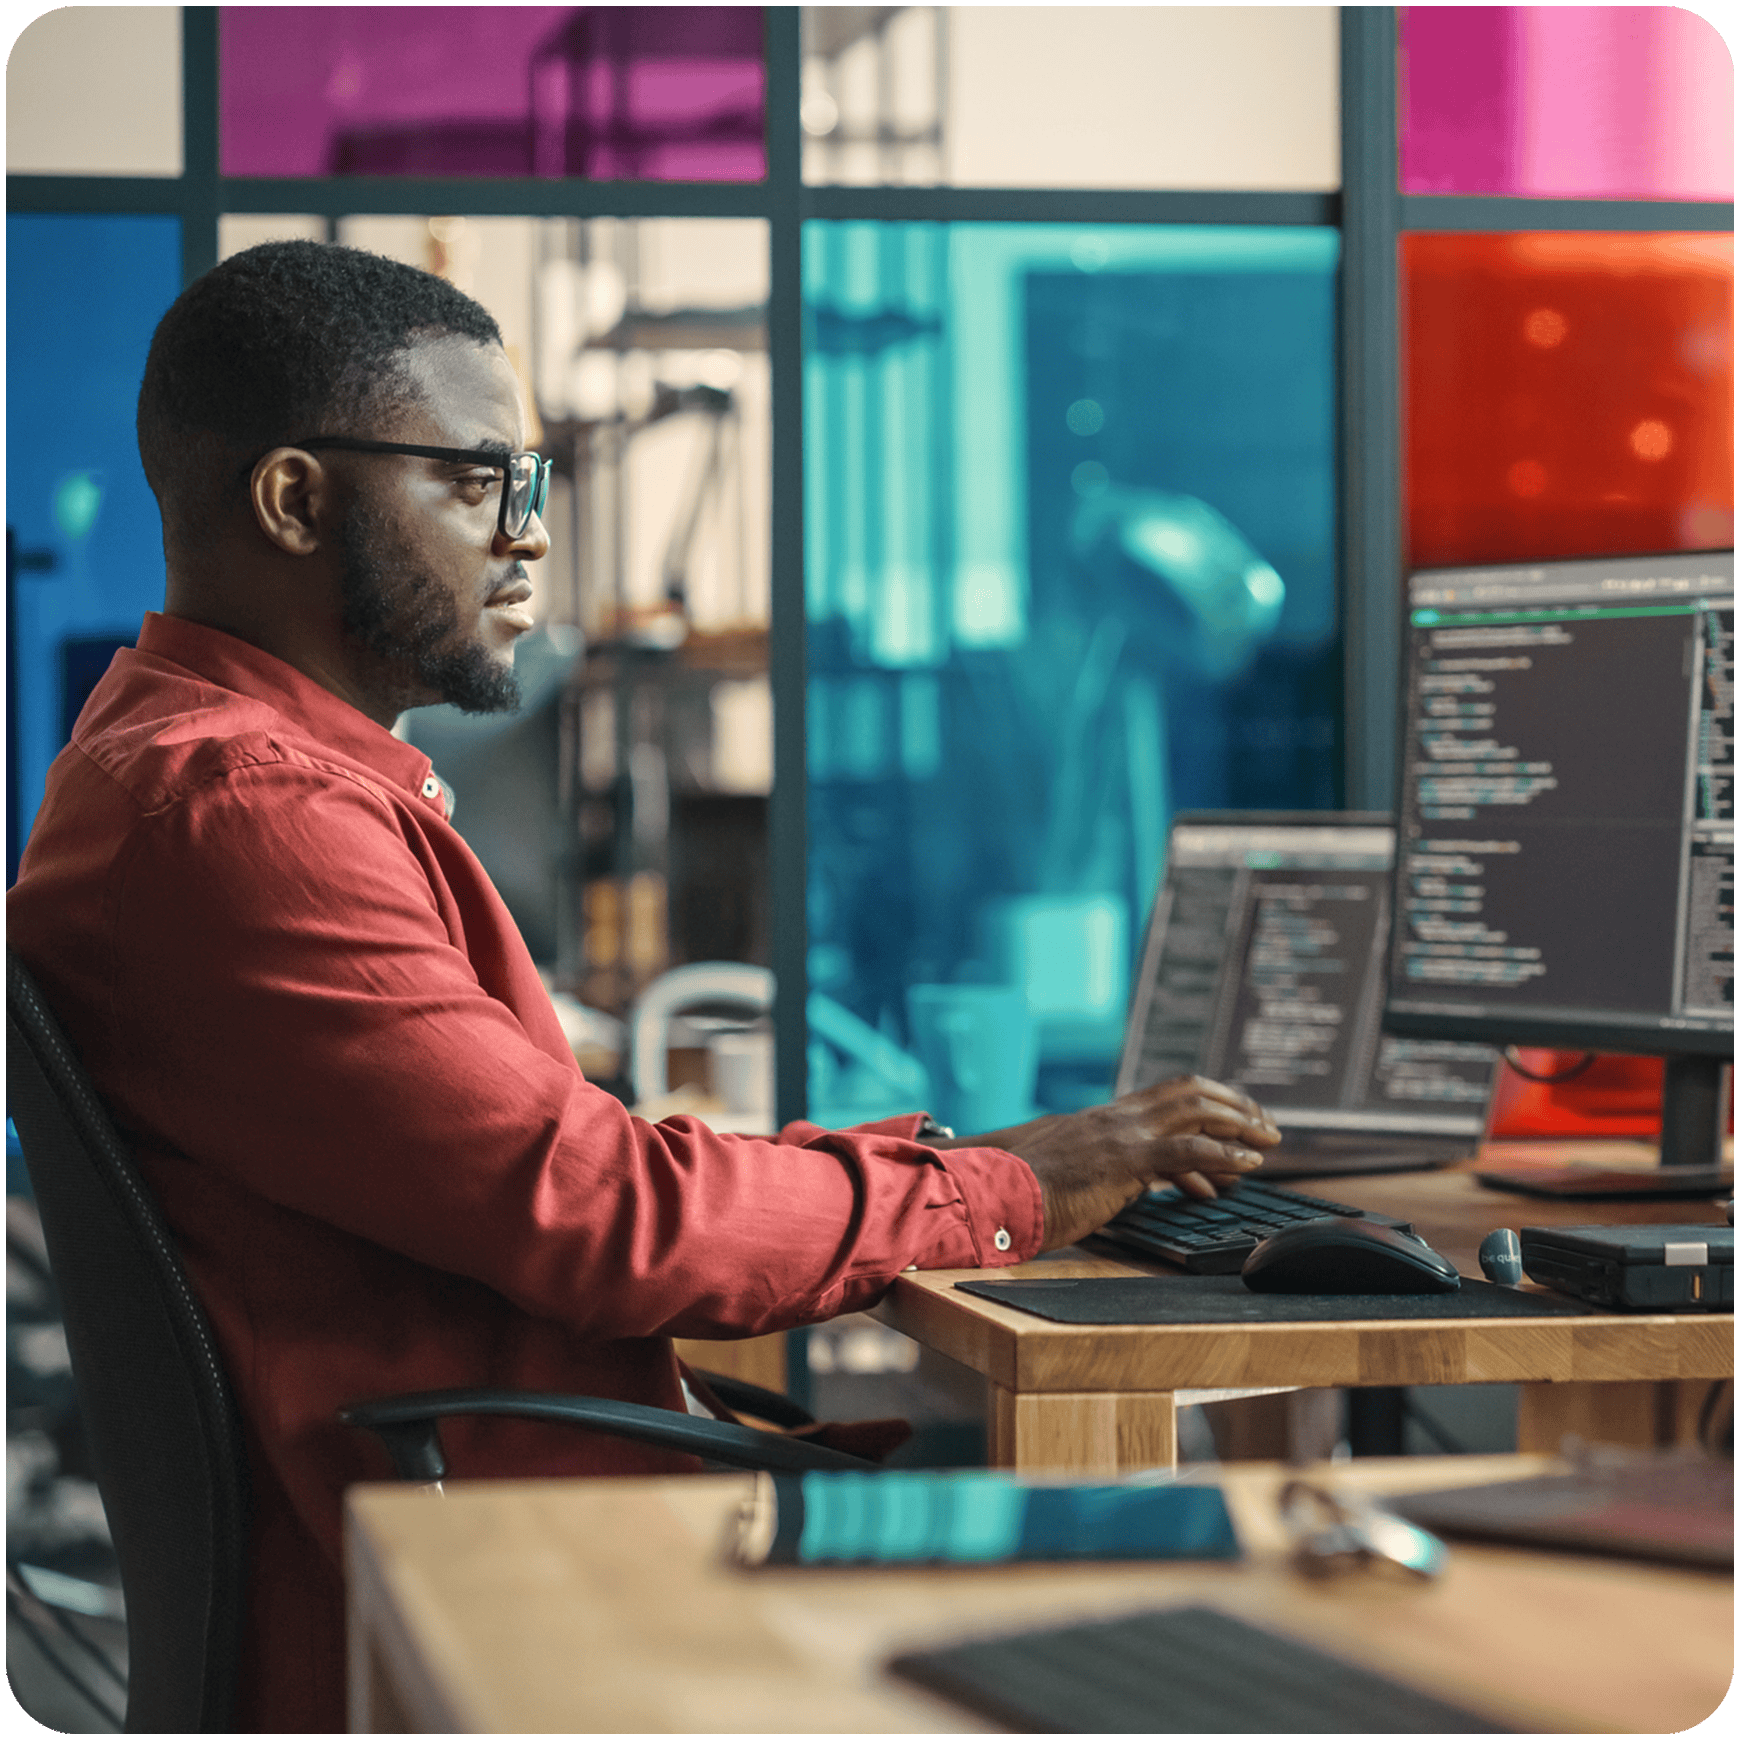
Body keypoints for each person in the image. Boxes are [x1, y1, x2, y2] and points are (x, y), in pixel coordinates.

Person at [5, 241, 1280, 1733]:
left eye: (531, 485)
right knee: (1211, 1584)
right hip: (486, 1595)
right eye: (479, 482)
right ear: (293, 500)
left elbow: (581, 1181)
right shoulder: (248, 815)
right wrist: (1003, 1189)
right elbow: (606, 1217)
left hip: (478, 1532)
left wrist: (958, 1170)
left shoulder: (190, 773)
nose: (531, 539)